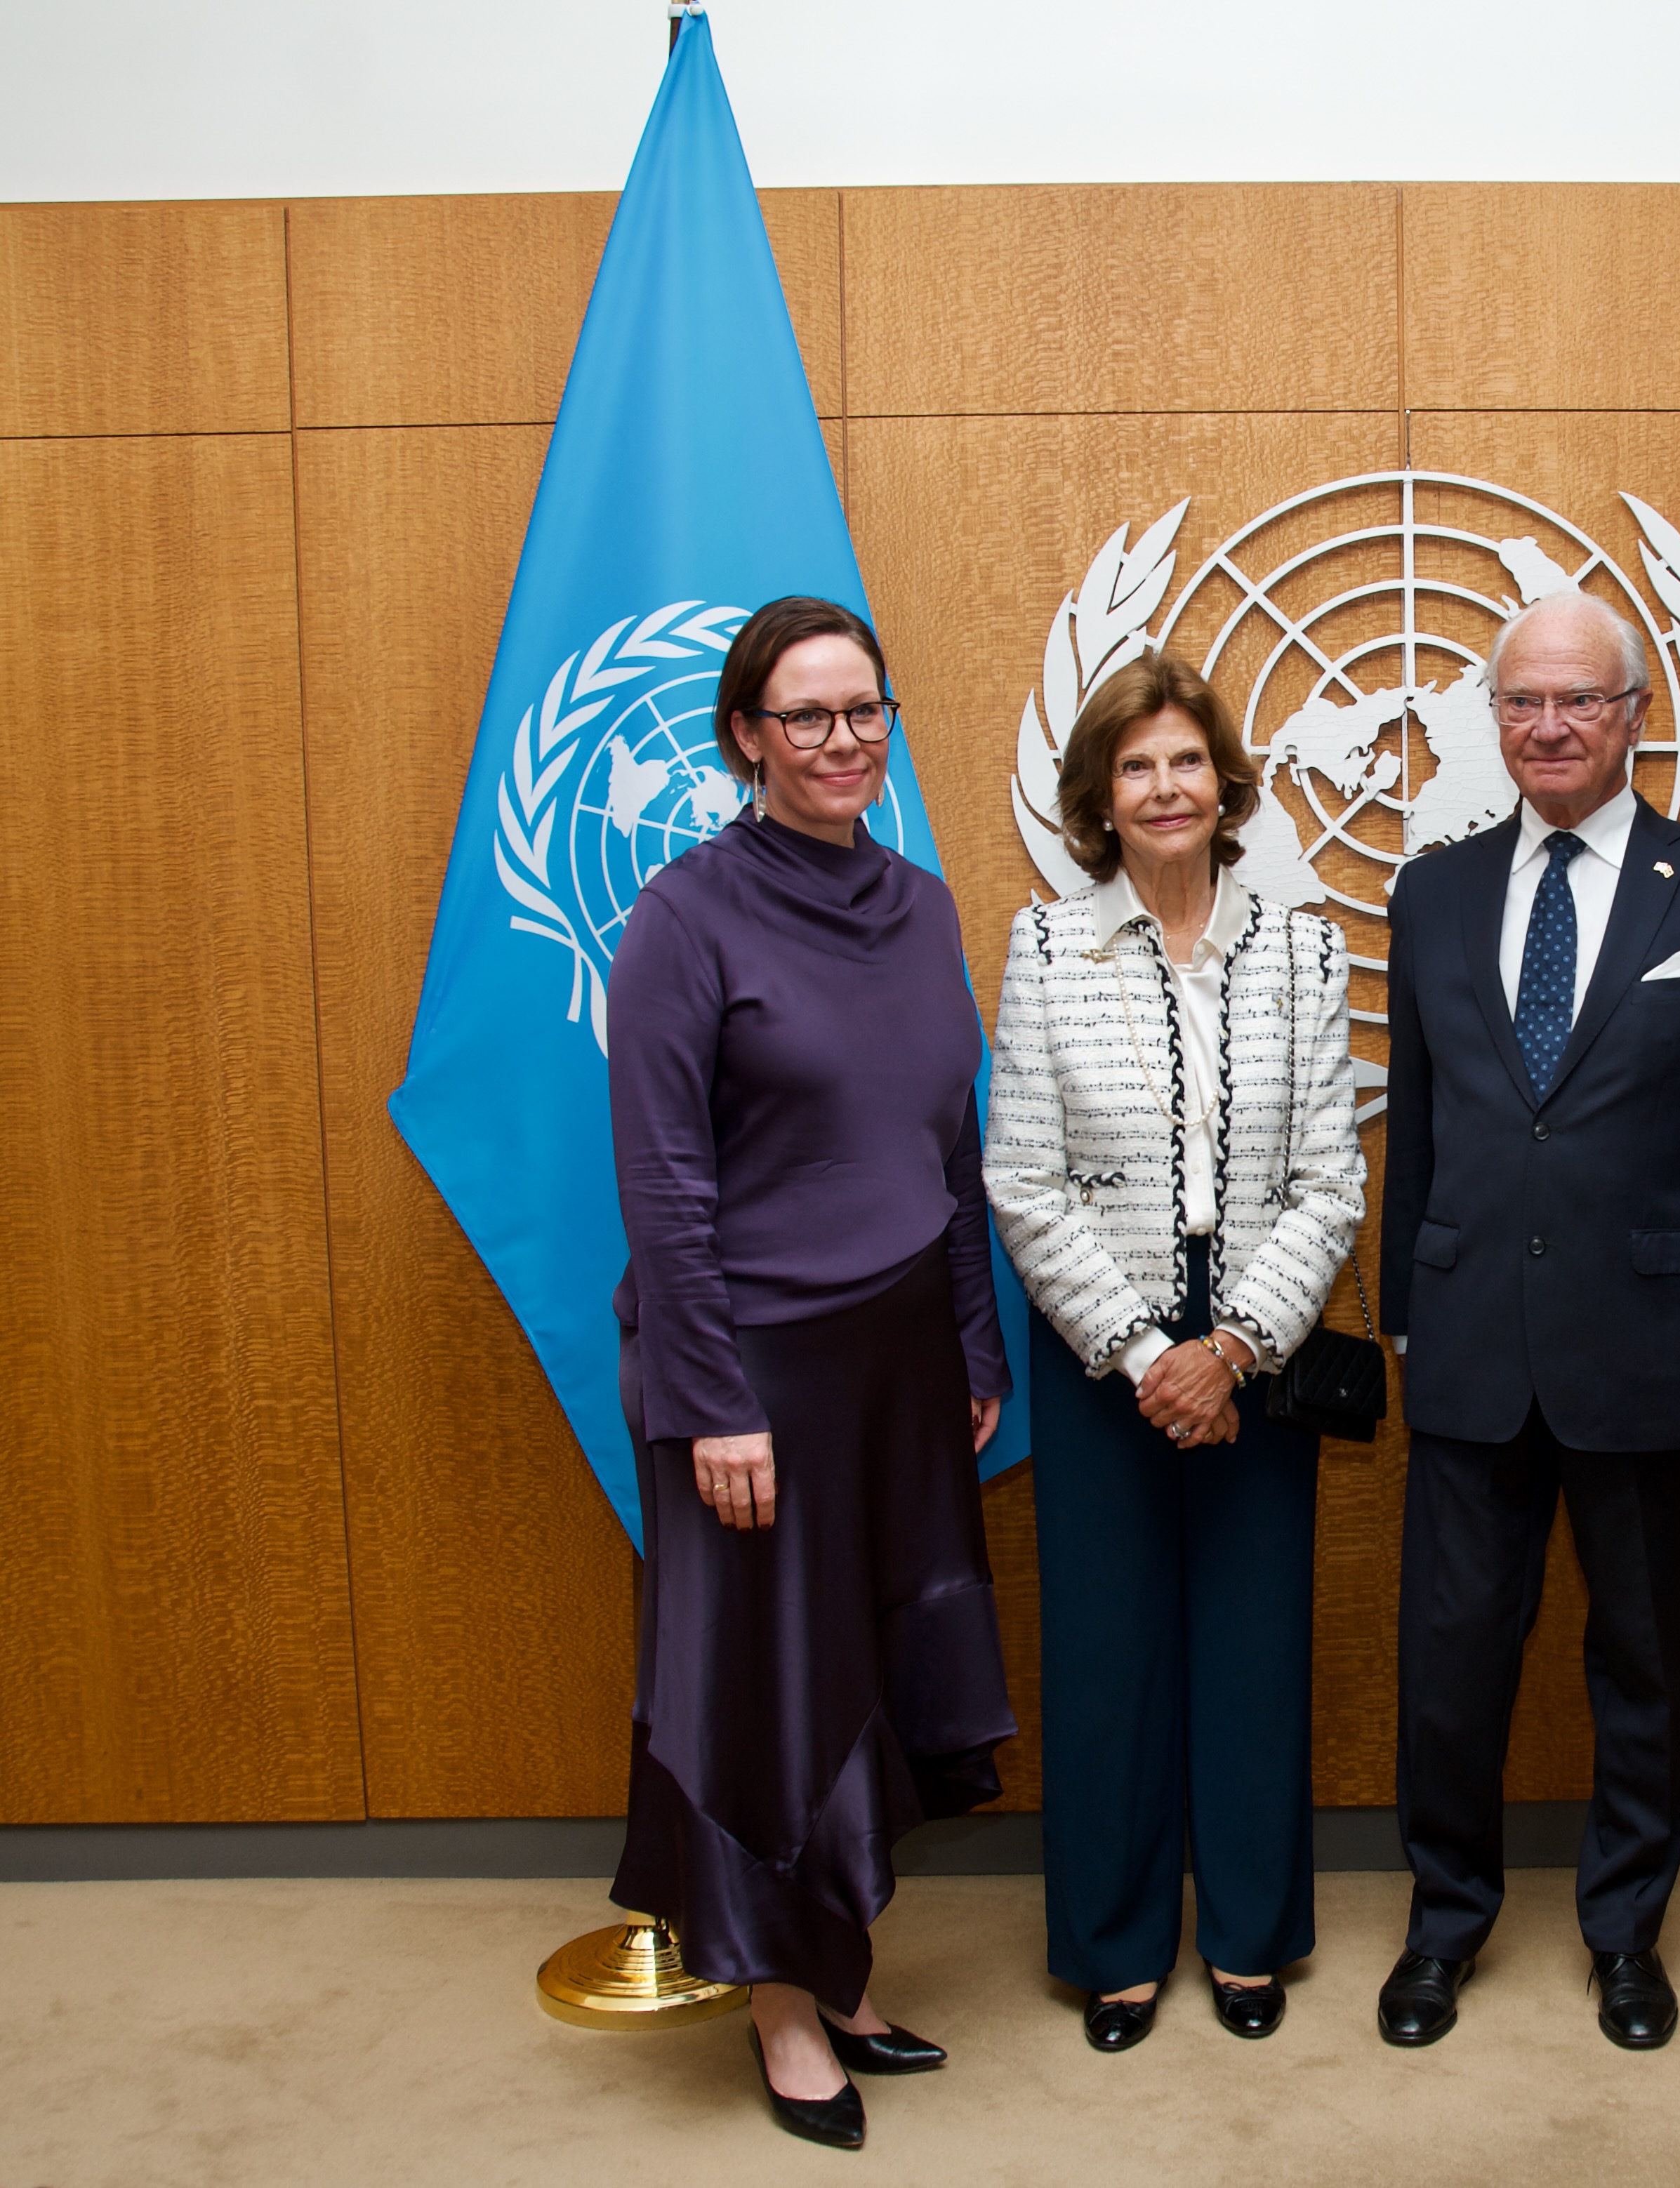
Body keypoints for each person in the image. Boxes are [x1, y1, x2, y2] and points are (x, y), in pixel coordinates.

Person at [606, 595, 1015, 2150]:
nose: (842, 742)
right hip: (754, 1373)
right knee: (765, 1695)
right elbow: (661, 1179)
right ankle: (783, 2012)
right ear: (744, 740)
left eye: (864, 712)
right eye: (807, 717)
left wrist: (971, 1336)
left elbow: (946, 1144)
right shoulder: (685, 916)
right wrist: (709, 1396)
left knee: (870, 1674)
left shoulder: (918, 904)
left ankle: (842, 1968)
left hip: (904, 1357)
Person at [1375, 589, 1680, 2052]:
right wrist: (1400, 1314)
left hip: (1648, 1335)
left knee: (1638, 1656)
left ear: (1633, 716)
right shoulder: (1427, 891)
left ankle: (1625, 1931)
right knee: (1451, 1662)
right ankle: (1443, 1924)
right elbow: (1418, 1131)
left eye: (1579, 700)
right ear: (1491, 721)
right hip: (1468, 1335)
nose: (1547, 726)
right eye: (1520, 702)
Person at [984, 649, 1365, 2053]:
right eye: (1137, 765)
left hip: (1256, 1319)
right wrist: (1149, 1350)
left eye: (1187, 760)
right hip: (1105, 1337)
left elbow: (1330, 1177)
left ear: (1224, 783)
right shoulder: (1043, 943)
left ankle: (1251, 1933)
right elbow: (1022, 1179)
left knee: (1254, 1640)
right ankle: (1117, 1943)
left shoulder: (1303, 941)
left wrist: (1234, 1342)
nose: (1165, 786)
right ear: (1099, 794)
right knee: (1107, 1647)